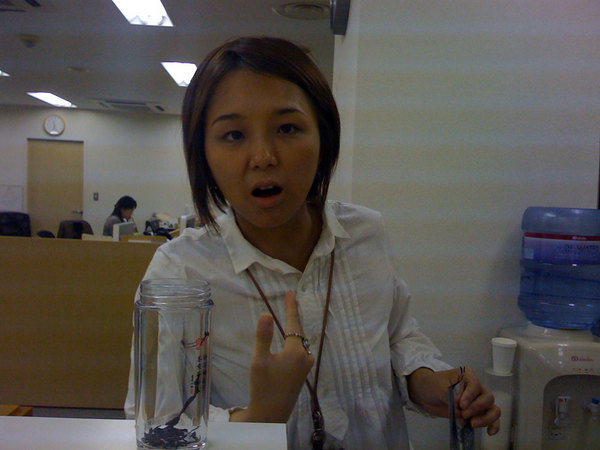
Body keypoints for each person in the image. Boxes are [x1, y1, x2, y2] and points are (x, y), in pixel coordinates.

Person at [125, 37, 500, 448]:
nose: (263, 156)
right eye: (233, 135)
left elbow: (397, 338)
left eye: (288, 128)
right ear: (203, 154)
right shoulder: (179, 272)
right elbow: (157, 420)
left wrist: (428, 382)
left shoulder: (365, 233)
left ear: (324, 137)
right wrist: (259, 418)